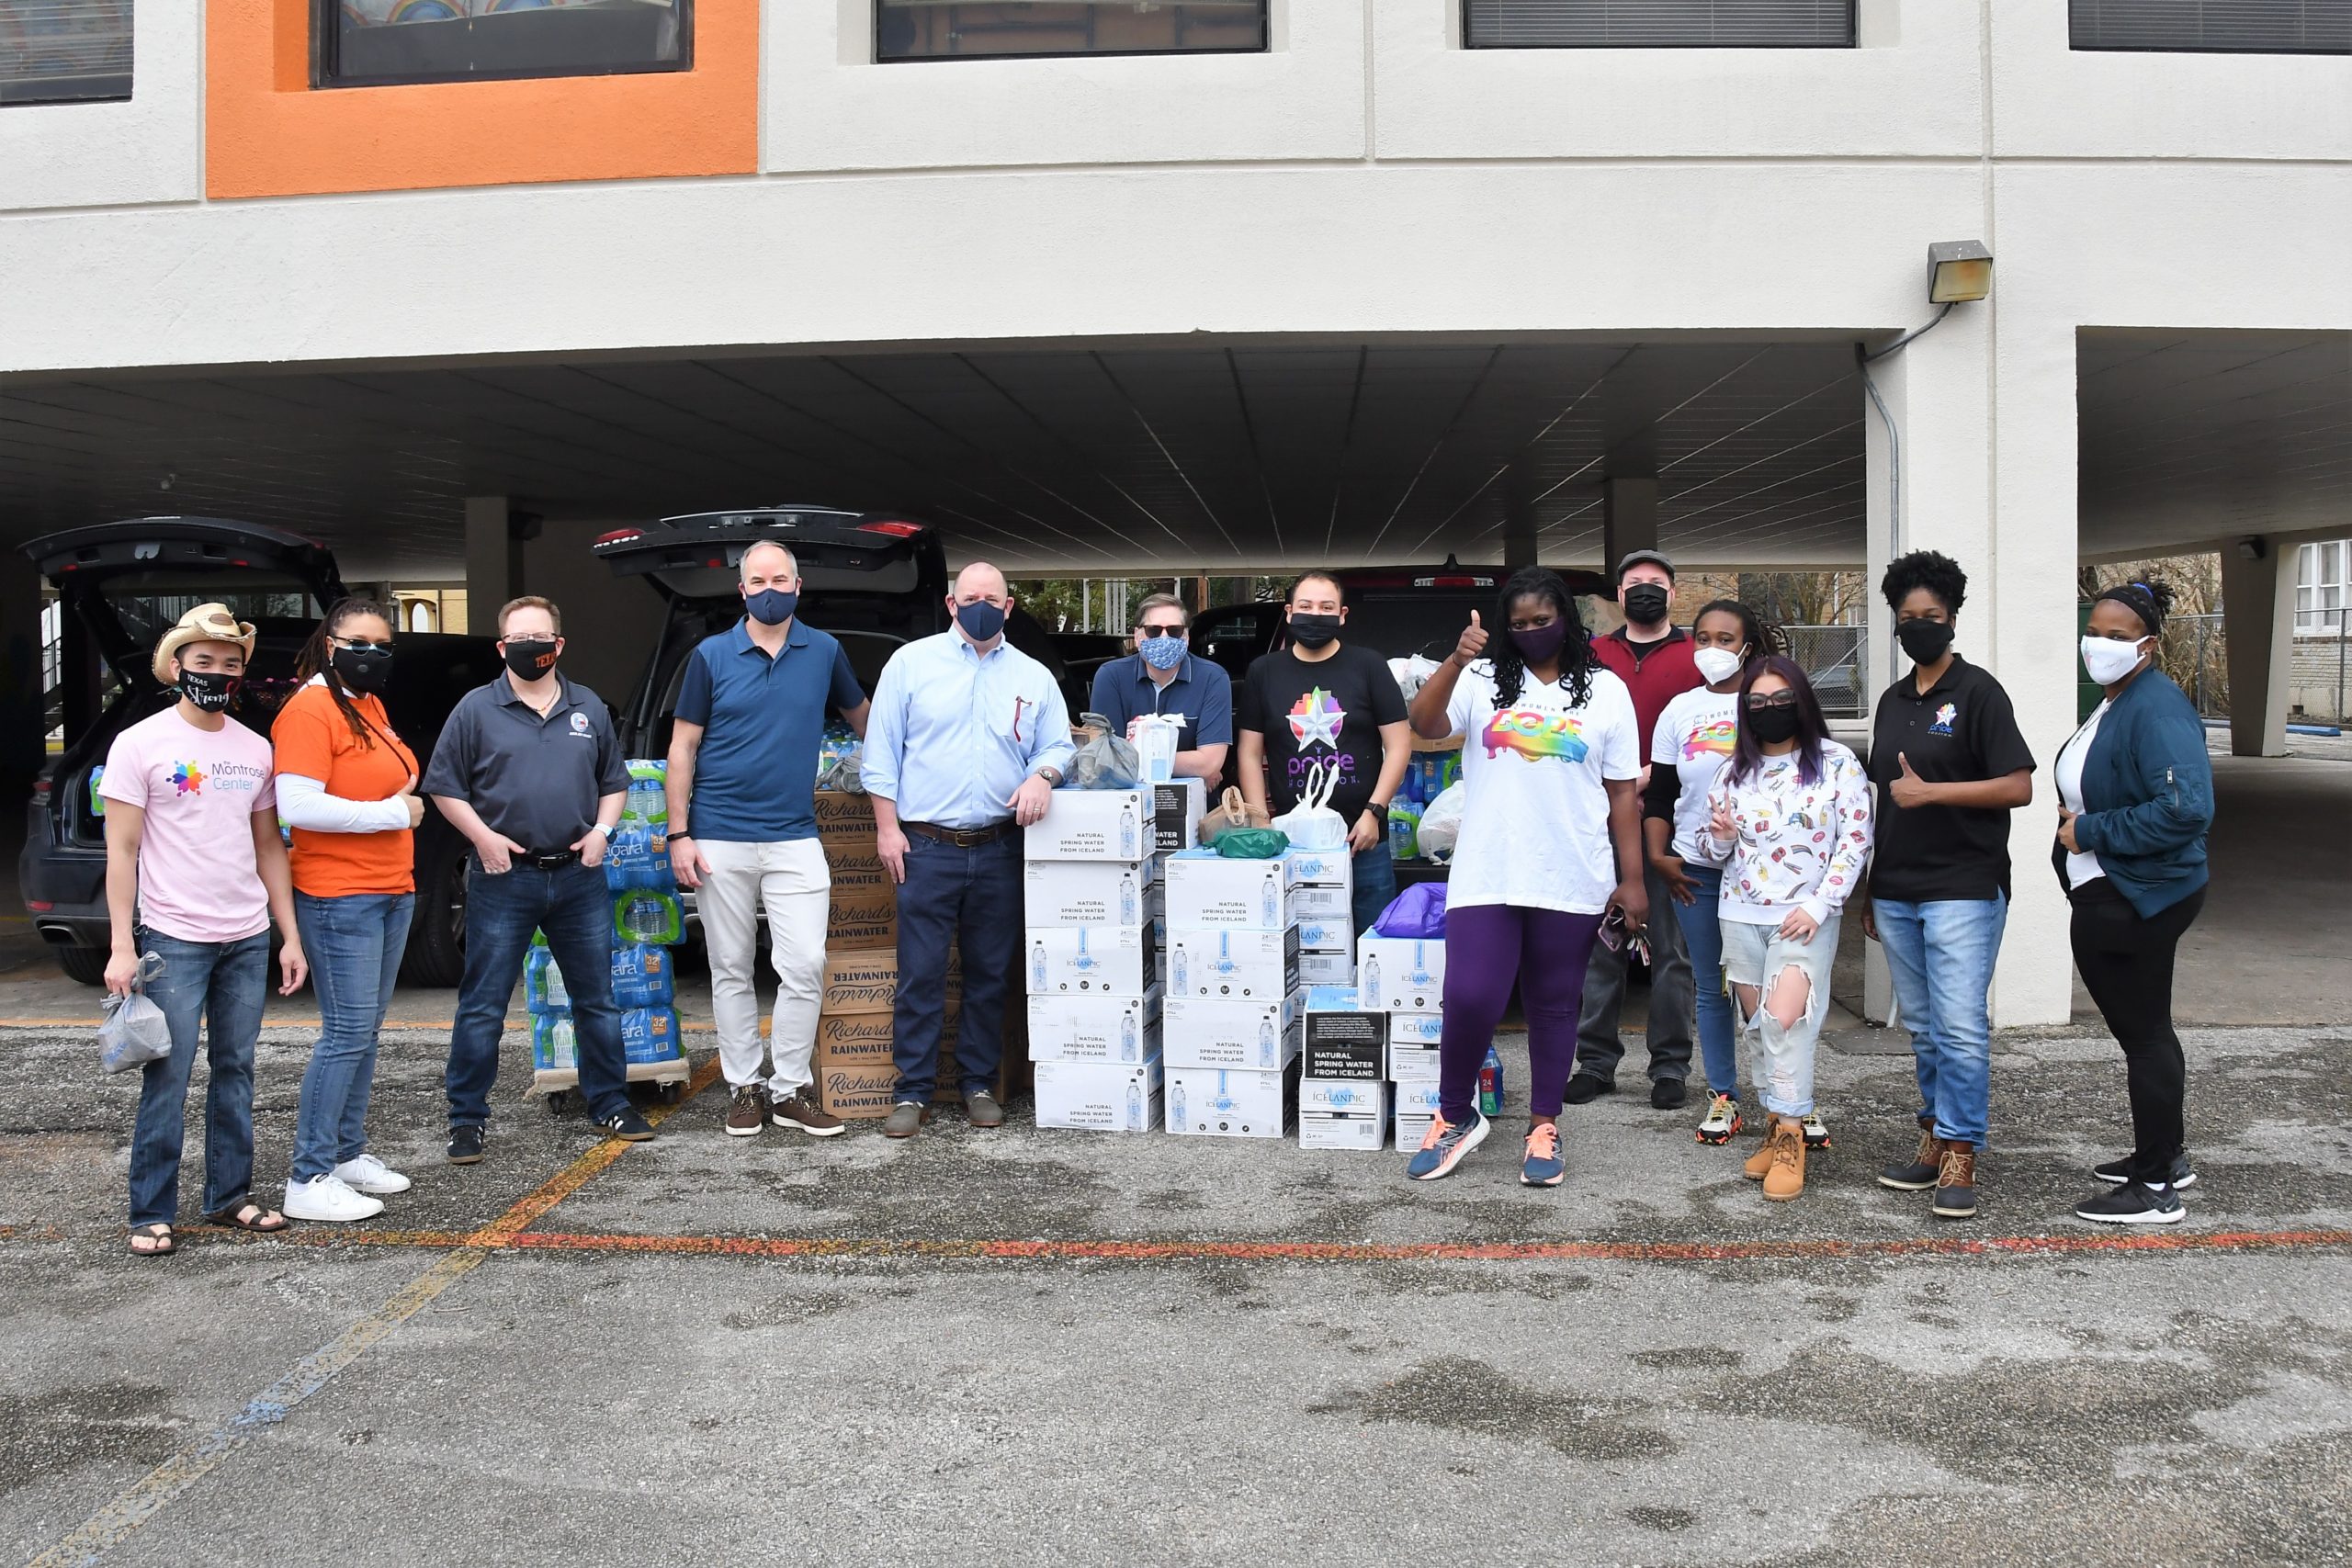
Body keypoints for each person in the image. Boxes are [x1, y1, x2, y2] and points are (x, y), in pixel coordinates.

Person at [1399, 569, 1645, 1185]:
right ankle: (1455, 1114)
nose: (1532, 630)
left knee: (1554, 1003)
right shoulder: (1482, 678)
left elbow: (1622, 793)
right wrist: (1456, 660)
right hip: (1488, 867)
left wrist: (1632, 878)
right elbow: (1424, 723)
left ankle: (1543, 1125)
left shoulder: (1607, 690)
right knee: (1471, 995)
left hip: (1572, 871)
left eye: (1543, 620)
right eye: (1519, 623)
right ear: (1504, 628)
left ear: (1566, 618)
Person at [103, 604, 307, 1255]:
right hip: (174, 936)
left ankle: (229, 1196)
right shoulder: (139, 744)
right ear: (176, 666)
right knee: (169, 1072)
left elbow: (270, 845)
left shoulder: (254, 748)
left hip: (245, 934)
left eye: (230, 662)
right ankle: (150, 1210)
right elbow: (122, 850)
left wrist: (288, 934)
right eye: (204, 660)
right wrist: (121, 944)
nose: (217, 672)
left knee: (236, 1067)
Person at [425, 596, 655, 1160]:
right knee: (483, 1005)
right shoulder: (476, 709)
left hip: (578, 877)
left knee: (596, 1000)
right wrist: (483, 838)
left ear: (560, 644)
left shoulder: (587, 707)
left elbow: (613, 781)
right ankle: (466, 1119)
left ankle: (610, 1101)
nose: (532, 648)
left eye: (541, 638)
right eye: (520, 639)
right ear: (502, 647)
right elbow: (444, 787)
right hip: (504, 877)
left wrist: (602, 831)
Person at [864, 562, 1074, 1140]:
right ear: (952, 604)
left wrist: (1043, 776)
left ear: (1009, 607)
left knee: (988, 974)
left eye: (993, 598)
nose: (982, 606)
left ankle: (977, 1084)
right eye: (970, 597)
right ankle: (912, 1090)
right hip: (925, 846)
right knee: (921, 974)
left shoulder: (1034, 676)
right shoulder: (910, 665)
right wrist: (887, 829)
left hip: (1001, 846)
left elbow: (1058, 745)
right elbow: (880, 754)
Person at [666, 540, 869, 1140]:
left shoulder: (824, 650)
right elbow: (682, 747)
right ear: (742, 590)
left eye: (780, 579)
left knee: (805, 963)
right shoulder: (711, 655)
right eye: (758, 581)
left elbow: (867, 722)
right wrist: (678, 833)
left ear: (798, 586)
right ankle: (745, 1087)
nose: (769, 590)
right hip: (718, 835)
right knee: (730, 966)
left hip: (794, 835)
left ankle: (789, 1089)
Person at [1862, 550, 2035, 1223]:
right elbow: (1882, 800)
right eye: (1907, 616)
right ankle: (1935, 1134)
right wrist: (1873, 886)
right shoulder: (1891, 700)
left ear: (1953, 618)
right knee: (1926, 1029)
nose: (1919, 626)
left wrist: (1934, 793)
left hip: (1963, 884)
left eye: (1931, 615)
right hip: (1896, 888)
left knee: (1961, 1027)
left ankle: (1963, 1148)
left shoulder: (1980, 692)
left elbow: (2018, 786)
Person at [2057, 580, 2213, 1225]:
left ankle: (2153, 1189)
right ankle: (2166, 1157)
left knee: (2145, 1037)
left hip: (2135, 895)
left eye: (2117, 636)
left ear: (2147, 645)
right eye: (2094, 631)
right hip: (2122, 887)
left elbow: (2186, 808)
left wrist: (2090, 830)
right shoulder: (2119, 699)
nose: (2099, 645)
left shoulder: (2157, 708)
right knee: (2149, 1031)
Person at [1693, 656, 1873, 1202]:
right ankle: (1775, 1126)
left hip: (1804, 919)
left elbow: (1855, 839)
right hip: (1741, 914)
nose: (1769, 709)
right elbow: (1710, 848)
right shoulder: (1732, 771)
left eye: (1781, 700)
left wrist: (1821, 905)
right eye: (1757, 702)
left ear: (1802, 702)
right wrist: (1721, 838)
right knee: (1757, 1029)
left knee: (1786, 1021)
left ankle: (1793, 1135)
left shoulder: (1837, 763)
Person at [273, 598, 427, 1224]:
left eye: (382, 645)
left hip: (389, 887)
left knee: (365, 1030)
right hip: (340, 895)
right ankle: (307, 1176)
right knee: (345, 1033)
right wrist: (393, 813)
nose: (372, 654)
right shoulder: (310, 709)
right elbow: (298, 805)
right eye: (358, 643)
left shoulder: (365, 704)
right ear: (330, 644)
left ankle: (345, 1152)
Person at [1570, 549, 1703, 1111]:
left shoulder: (1697, 657)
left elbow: (1711, 732)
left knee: (1673, 950)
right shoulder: (1592, 655)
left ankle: (1670, 1067)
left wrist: (1652, 776)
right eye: (1634, 583)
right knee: (1602, 946)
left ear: (1672, 593)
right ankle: (1595, 1063)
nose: (1644, 589)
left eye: (1655, 582)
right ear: (1619, 596)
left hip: (1673, 820)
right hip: (1599, 818)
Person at [1644, 599, 1778, 1147]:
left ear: (1748, 646)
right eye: (1703, 638)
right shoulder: (1680, 710)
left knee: (1769, 988)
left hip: (1760, 874)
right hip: (1694, 870)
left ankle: (1783, 1098)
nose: (1712, 649)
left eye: (1725, 639)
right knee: (1709, 985)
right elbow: (1661, 793)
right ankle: (1724, 1095)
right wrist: (1659, 856)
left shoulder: (1767, 701)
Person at [1235, 571, 1410, 935]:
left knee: (1373, 946)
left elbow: (1398, 746)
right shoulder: (1263, 672)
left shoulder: (1369, 666)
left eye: (1326, 607)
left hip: (1363, 841)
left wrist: (1374, 813)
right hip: (1291, 842)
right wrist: (1261, 822)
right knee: (1299, 947)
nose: (1315, 615)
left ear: (1342, 615)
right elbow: (1249, 752)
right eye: (1306, 606)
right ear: (1289, 612)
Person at [1086, 592, 1232, 783]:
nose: (1164, 637)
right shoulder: (1111, 677)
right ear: (1137, 636)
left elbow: (1209, 763)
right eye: (1153, 631)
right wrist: (1191, 766)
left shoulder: (1212, 678)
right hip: (1125, 795)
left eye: (1174, 631)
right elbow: (1104, 757)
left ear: (1186, 637)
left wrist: (1129, 761)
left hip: (1192, 799)